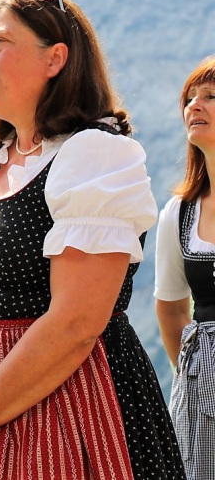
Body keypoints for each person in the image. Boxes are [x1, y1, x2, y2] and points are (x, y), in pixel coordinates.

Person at [0, 0, 186, 479]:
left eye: (0, 43)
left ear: (55, 58)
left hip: (63, 410)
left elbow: (76, 324)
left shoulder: (93, 155)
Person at [155, 56, 215, 479]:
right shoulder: (179, 214)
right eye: (189, 99)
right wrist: (200, 373)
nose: (195, 105)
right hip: (201, 392)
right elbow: (172, 309)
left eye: (211, 97)